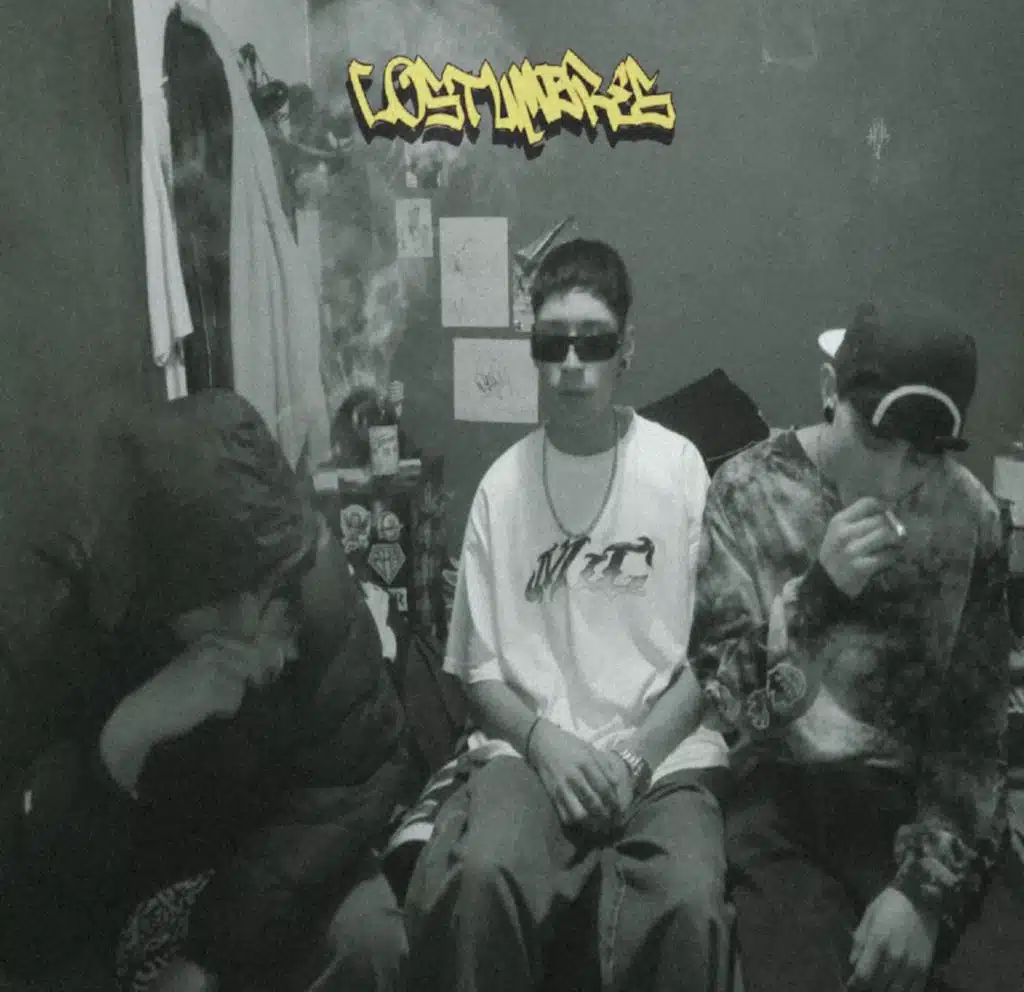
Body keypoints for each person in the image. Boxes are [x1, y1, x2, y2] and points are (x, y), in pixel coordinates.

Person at [404, 238, 735, 992]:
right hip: (530, 751)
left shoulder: (678, 467)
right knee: (483, 875)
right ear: (535, 353)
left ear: (626, 350)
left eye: (594, 341)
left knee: (690, 901)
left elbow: (713, 655)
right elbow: (479, 673)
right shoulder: (502, 487)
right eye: (553, 343)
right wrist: (546, 746)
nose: (573, 363)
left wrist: (637, 757)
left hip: (662, 753)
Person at [0, 391, 414, 992]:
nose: (248, 621)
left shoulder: (309, 578)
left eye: (264, 589)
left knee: (368, 936)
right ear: (154, 595)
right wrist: (123, 740)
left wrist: (210, 956)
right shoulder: (69, 624)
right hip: (122, 875)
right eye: (220, 600)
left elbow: (351, 782)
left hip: (259, 855)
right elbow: (29, 893)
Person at [688, 298, 1024, 992]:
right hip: (782, 802)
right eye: (875, 441)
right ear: (827, 392)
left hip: (916, 799)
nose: (893, 480)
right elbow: (732, 714)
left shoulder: (970, 516)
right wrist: (819, 597)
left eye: (923, 456)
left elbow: (976, 733)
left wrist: (924, 891)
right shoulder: (748, 492)